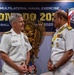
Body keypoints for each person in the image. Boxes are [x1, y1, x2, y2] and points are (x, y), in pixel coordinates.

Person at [47, 10, 74, 75]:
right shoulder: (57, 33)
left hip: (65, 71)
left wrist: (56, 66)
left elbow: (69, 53)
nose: (53, 21)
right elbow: (55, 50)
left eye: (54, 18)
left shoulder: (69, 31)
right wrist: (50, 60)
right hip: (56, 70)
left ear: (60, 18)